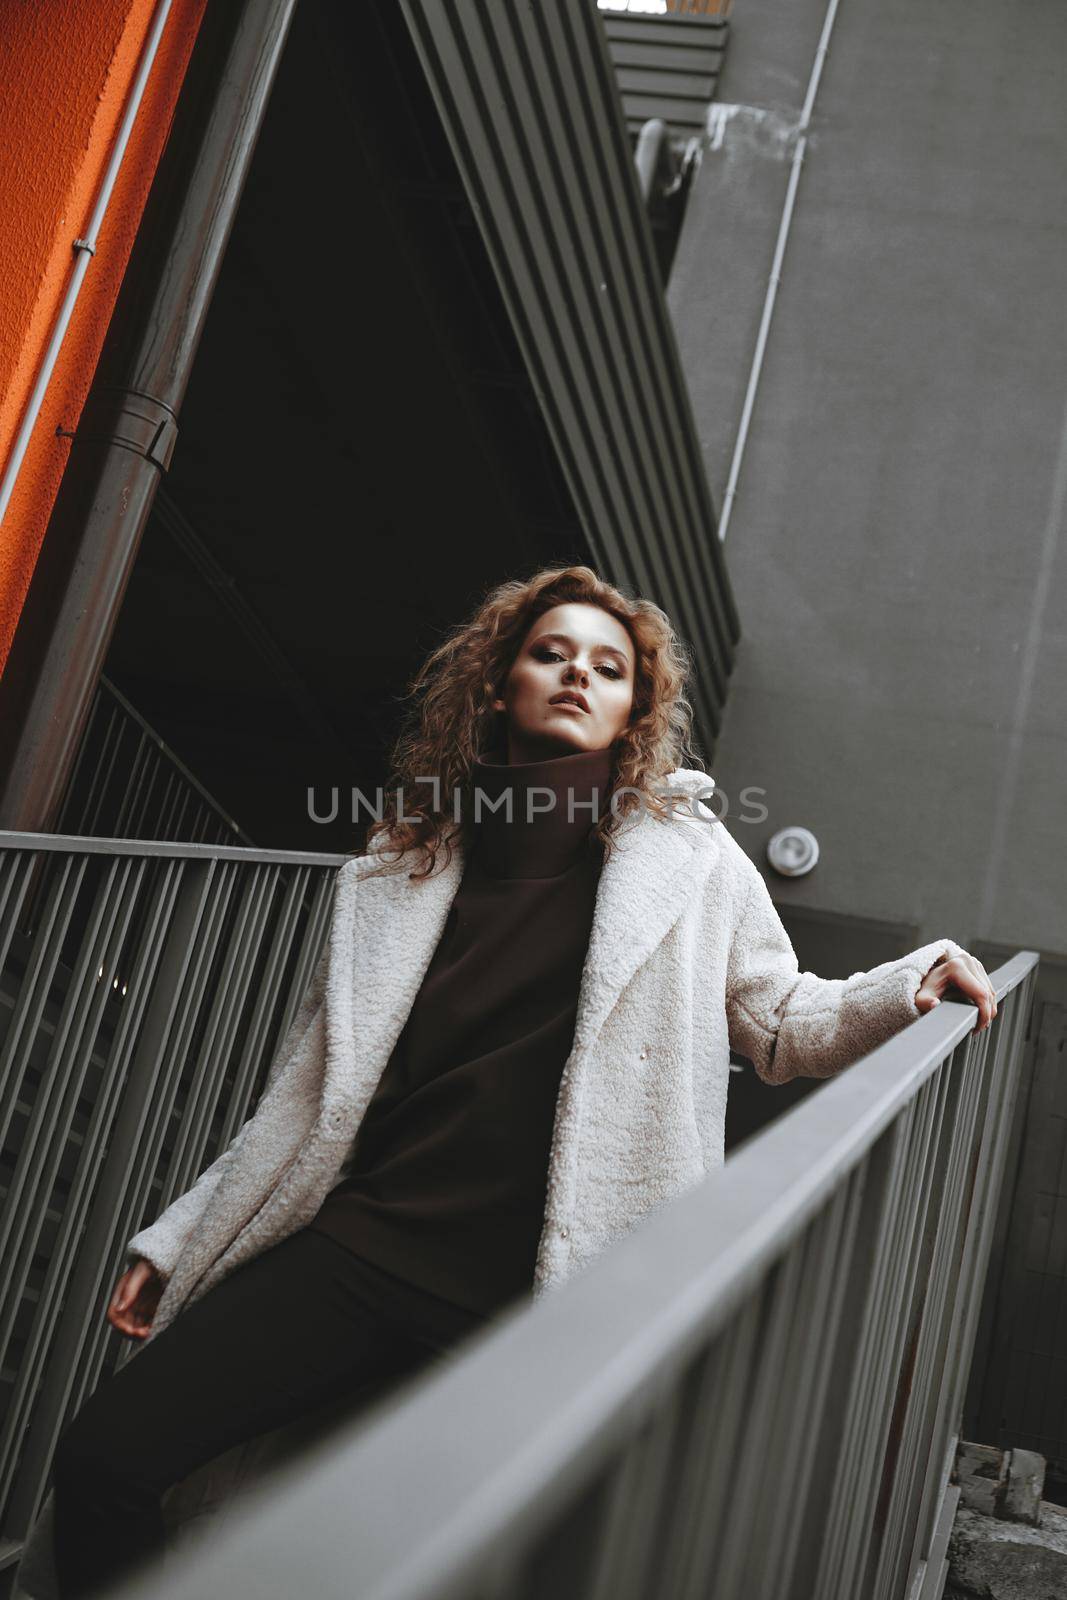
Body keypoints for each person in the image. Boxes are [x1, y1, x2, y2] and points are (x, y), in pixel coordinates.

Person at [29, 565, 995, 1600]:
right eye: (550, 652)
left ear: (634, 707)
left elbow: (776, 1022)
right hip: (362, 1248)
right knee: (105, 1461)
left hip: (547, 1289)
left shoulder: (691, 860)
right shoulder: (392, 872)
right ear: (498, 686)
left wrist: (906, 985)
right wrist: (179, 1237)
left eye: (608, 665)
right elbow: (303, 1093)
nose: (577, 673)